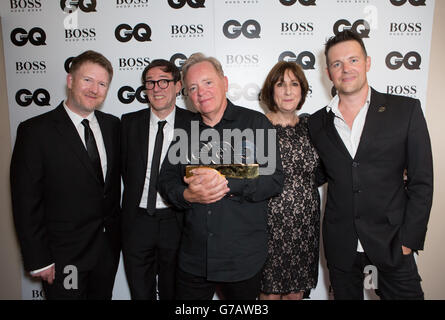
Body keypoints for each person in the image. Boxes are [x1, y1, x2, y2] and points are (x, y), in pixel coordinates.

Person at [308, 30, 433, 300]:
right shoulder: (316, 123)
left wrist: (409, 241)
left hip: (392, 243)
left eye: (353, 60)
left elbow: (422, 181)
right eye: (337, 64)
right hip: (341, 246)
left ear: (367, 63)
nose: (346, 69)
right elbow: (315, 174)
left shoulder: (406, 110)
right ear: (328, 72)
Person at [158, 53, 284, 300]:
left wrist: (226, 183)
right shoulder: (185, 130)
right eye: (192, 87)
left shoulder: (256, 123)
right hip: (194, 259)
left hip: (242, 259)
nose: (200, 92)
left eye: (207, 83)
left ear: (224, 83)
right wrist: (187, 194)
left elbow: (274, 179)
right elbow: (166, 181)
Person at [10, 50, 121, 300]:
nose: (95, 89)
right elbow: (26, 201)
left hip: (106, 253)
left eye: (102, 83)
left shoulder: (113, 126)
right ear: (70, 81)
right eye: (87, 80)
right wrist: (39, 259)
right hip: (65, 259)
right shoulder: (35, 132)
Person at [121, 59, 194, 300]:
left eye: (164, 81)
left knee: (174, 293)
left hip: (177, 221)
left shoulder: (195, 125)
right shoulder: (128, 124)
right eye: (150, 83)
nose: (157, 88)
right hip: (137, 221)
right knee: (140, 294)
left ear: (177, 86)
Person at [259, 61, 320, 300]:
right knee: (270, 295)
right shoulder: (257, 127)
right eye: (280, 84)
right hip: (268, 227)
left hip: (306, 226)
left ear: (302, 90)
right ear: (270, 90)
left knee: (296, 294)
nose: (288, 91)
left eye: (294, 84)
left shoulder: (312, 126)